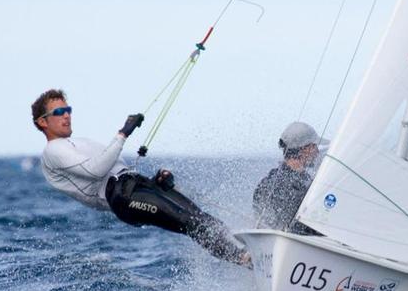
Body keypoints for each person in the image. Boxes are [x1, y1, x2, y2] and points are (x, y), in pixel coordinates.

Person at [32, 88, 247, 264]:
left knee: (198, 215)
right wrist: (123, 133)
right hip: (121, 197)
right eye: (59, 113)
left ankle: (245, 247)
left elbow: (116, 168)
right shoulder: (52, 151)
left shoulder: (79, 142)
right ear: (43, 122)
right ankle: (242, 258)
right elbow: (94, 171)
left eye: (68, 110)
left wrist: (155, 182)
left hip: (134, 185)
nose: (67, 115)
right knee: (189, 222)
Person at [252, 121, 327, 235]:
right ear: (305, 149)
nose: (317, 151)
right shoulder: (295, 185)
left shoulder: (268, 181)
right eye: (314, 146)